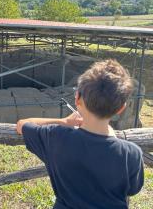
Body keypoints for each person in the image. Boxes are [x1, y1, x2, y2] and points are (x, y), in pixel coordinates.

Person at [16, 59, 144, 209]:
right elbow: (133, 189)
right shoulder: (131, 154)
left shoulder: (56, 137)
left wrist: (63, 122)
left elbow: (22, 124)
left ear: (77, 98)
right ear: (121, 109)